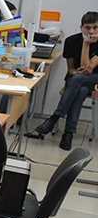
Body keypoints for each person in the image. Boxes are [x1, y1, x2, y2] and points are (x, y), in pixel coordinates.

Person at [27, 11, 98, 150]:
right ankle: (68, 134)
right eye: (88, 28)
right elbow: (71, 69)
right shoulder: (71, 41)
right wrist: (76, 71)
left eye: (95, 27)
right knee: (80, 88)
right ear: (81, 27)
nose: (91, 31)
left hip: (95, 81)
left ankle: (54, 118)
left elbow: (87, 68)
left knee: (79, 80)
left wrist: (86, 44)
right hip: (77, 80)